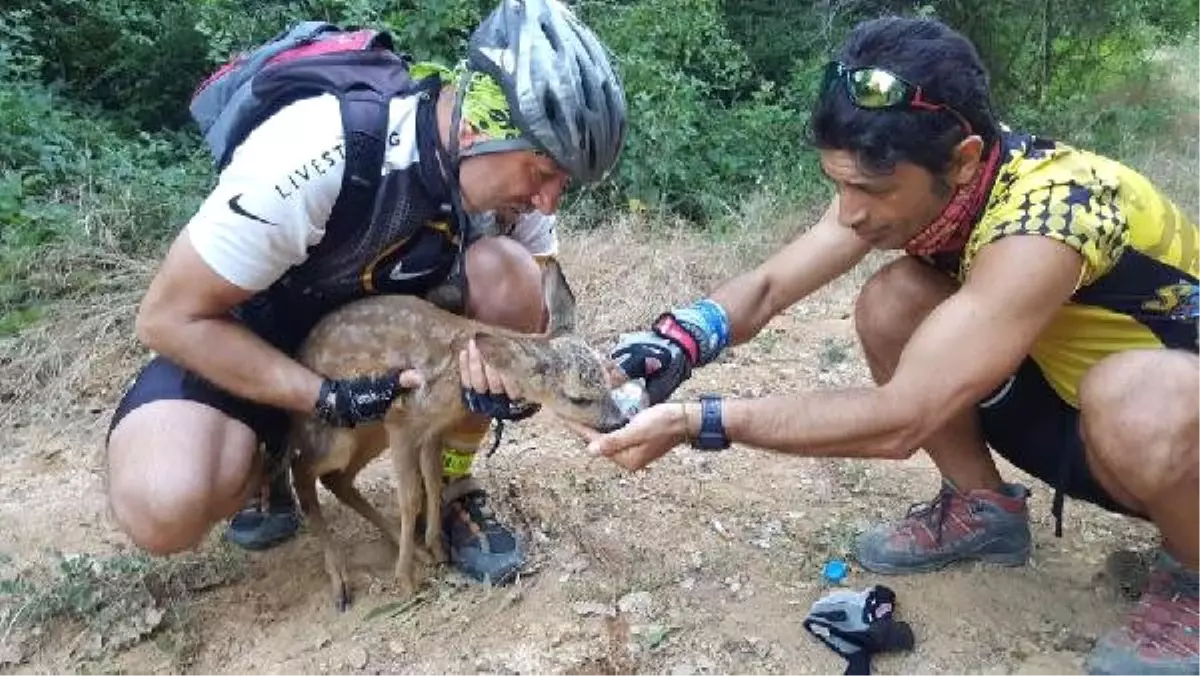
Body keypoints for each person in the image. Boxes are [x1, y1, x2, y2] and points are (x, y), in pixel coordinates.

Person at [573, 16, 1199, 675]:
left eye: (868, 190)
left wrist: (698, 420)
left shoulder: (1053, 214)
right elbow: (767, 286)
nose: (848, 212)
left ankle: (1194, 576)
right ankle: (982, 510)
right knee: (893, 299)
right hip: (1075, 419)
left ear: (961, 160)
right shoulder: (934, 184)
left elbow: (901, 419)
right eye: (838, 184)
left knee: (1136, 399)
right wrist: (675, 341)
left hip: (1166, 433)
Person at [104, 0, 626, 588]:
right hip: (258, 333)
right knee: (163, 504)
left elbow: (535, 341)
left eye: (565, 183)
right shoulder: (319, 149)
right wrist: (325, 397)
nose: (550, 201)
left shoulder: (512, 198)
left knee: (512, 276)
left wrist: (562, 387)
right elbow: (166, 319)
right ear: (480, 125)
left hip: (375, 343)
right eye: (543, 170)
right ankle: (269, 457)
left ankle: (450, 486)